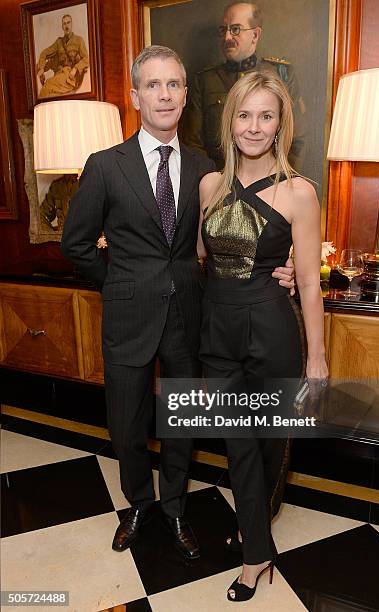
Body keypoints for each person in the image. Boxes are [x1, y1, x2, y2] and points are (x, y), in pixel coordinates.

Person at [61, 45, 295, 561]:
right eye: (153, 85)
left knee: (182, 421)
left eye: (174, 84)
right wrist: (118, 280)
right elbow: (75, 243)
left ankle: (173, 508)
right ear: (136, 95)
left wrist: (285, 266)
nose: (164, 94)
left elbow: (236, 237)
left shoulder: (206, 168)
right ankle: (138, 505)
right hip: (128, 314)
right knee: (126, 423)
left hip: (192, 313)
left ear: (186, 94)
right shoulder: (104, 166)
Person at [198, 70, 328, 601]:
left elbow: (311, 287)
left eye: (266, 116)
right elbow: (203, 257)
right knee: (238, 443)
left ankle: (255, 532)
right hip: (217, 331)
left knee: (270, 444)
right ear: (230, 121)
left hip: (273, 330)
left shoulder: (299, 191)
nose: (254, 126)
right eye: (244, 115)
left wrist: (316, 359)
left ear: (280, 126)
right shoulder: (210, 185)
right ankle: (257, 550)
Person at [182, 1, 306, 171]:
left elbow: (296, 140)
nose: (227, 37)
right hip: (218, 182)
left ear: (255, 35)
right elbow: (193, 143)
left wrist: (282, 181)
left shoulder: (281, 74)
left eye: (235, 29)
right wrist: (213, 182)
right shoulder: (205, 80)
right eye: (223, 30)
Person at [36, 14, 89, 99]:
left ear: (72, 24)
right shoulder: (59, 42)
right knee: (48, 92)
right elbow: (44, 53)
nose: (66, 26)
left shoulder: (79, 40)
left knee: (48, 86)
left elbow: (86, 59)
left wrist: (75, 68)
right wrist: (42, 68)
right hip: (59, 75)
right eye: (64, 24)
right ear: (62, 26)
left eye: (68, 23)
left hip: (70, 77)